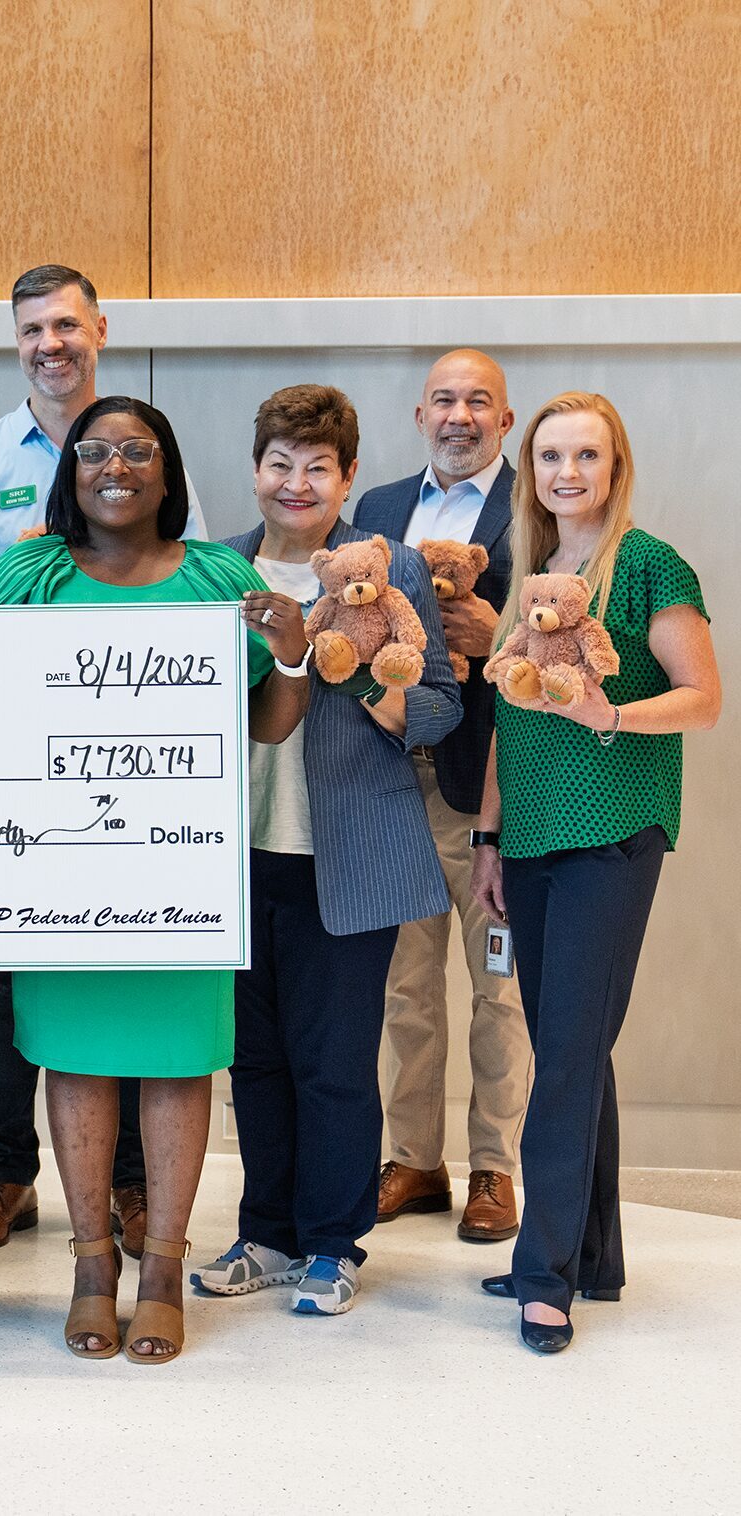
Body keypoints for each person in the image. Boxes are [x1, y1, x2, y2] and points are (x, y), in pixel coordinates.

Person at [0, 396, 310, 1362]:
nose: (115, 466)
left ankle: (161, 1263)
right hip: (57, 873)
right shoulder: (27, 575)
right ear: (70, 471)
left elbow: (271, 723)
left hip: (179, 878)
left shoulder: (216, 578)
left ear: (168, 472)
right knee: (74, 1056)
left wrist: (290, 649)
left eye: (138, 451)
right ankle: (89, 1264)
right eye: (95, 452)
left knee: (175, 1059)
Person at [0, 266, 207, 1257]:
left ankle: (131, 1187)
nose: (53, 343)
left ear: (101, 331)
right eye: (34, 328)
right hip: (14, 783)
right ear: (16, 341)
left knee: (127, 964)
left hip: (139, 780)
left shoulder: (153, 451)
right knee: (9, 978)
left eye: (69, 325)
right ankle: (7, 1173)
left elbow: (190, 608)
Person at [195, 385, 462, 1317]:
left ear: (348, 476)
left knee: (335, 1060)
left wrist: (372, 693)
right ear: (256, 468)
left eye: (318, 467)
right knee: (254, 1058)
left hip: (346, 856)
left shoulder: (392, 575)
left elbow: (442, 704)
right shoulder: (216, 570)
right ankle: (265, 1231)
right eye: (280, 463)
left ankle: (332, 1243)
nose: (296, 483)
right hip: (233, 857)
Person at [470, 392, 720, 1353]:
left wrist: (611, 717)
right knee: (575, 1042)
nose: (566, 473)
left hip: (614, 833)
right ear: (529, 471)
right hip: (529, 838)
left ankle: (544, 1281)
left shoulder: (651, 565)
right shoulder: (534, 572)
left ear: (615, 467)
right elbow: (507, 721)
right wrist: (489, 841)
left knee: (565, 1055)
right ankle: (592, 1255)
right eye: (549, 457)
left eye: (586, 456)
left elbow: (703, 700)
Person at [357, 349, 529, 1242]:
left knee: (500, 982)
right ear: (420, 414)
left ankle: (495, 1169)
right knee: (405, 986)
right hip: (392, 781)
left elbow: (574, 637)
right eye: (444, 400)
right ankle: (414, 1158)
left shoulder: (534, 505)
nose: (460, 416)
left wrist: (498, 635)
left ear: (505, 419)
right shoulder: (382, 508)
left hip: (495, 791)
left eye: (479, 402)